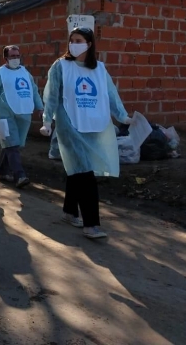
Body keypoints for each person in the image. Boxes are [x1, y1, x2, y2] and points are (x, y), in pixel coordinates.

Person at [40, 27, 130, 239]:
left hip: (92, 123)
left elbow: (110, 94)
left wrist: (123, 116)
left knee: (78, 168)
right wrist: (47, 121)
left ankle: (70, 212)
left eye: (79, 40)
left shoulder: (99, 68)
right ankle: (91, 225)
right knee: (85, 171)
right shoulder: (61, 66)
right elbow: (51, 96)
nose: (74, 44)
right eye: (71, 40)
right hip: (69, 122)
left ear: (89, 44)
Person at [0, 45, 44, 188]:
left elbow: (34, 91)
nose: (15, 59)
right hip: (6, 114)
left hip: (24, 113)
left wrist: (40, 107)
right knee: (12, 144)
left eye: (17, 56)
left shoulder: (25, 73)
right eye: (12, 56)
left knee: (14, 145)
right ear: (6, 58)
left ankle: (1, 171)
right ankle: (20, 175)